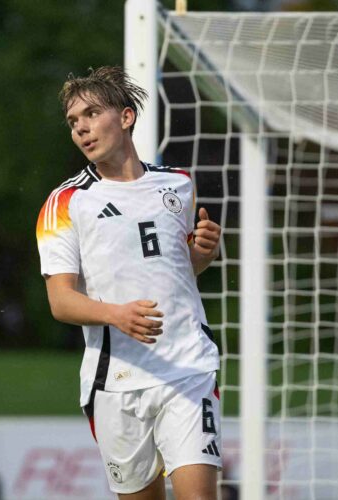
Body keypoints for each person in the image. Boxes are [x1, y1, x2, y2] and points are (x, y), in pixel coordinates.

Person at [35, 66, 222, 499]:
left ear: (125, 117)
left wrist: (203, 254)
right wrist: (115, 315)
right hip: (116, 381)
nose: (81, 127)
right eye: (72, 122)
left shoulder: (178, 183)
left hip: (187, 368)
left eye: (91, 114)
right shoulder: (65, 203)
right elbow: (61, 302)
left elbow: (173, 274)